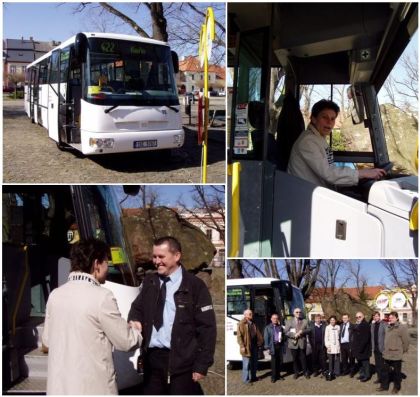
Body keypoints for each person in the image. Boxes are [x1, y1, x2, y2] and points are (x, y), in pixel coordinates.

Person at [42, 239, 142, 395]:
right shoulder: (102, 297)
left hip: (60, 389)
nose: (107, 268)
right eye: (106, 263)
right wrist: (136, 329)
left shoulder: (55, 295)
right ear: (97, 263)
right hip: (93, 388)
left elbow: (46, 342)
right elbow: (126, 341)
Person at [128, 236, 216, 395]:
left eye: (161, 257)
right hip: (152, 360)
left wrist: (202, 364)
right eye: (154, 256)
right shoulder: (150, 281)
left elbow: (207, 328)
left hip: (182, 362)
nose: (156, 261)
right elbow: (137, 308)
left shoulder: (195, 286)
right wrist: (135, 321)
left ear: (177, 256)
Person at [288, 99, 386, 188]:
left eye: (332, 119)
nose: (329, 122)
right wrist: (362, 173)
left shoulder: (318, 138)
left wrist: (361, 173)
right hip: (304, 195)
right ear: (313, 119)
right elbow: (328, 173)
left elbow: (329, 168)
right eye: (324, 117)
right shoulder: (308, 141)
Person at [377, 312, 409, 394]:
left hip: (396, 354)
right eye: (389, 318)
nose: (390, 319)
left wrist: (402, 351)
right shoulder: (387, 327)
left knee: (396, 372)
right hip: (387, 354)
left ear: (397, 318)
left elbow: (406, 341)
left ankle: (397, 387)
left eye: (392, 318)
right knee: (385, 371)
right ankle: (384, 386)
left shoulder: (401, 327)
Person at [237, 309, 264, 384]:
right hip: (246, 347)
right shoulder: (241, 323)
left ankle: (254, 377)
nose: (251, 315)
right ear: (245, 315)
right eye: (250, 314)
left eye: (251, 314)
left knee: (254, 363)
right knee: (246, 364)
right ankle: (246, 380)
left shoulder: (253, 323)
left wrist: (261, 341)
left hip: (254, 346)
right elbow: (239, 337)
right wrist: (242, 346)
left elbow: (258, 333)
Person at [284, 308, 311, 379]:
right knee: (295, 359)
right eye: (297, 312)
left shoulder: (305, 321)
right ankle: (296, 372)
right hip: (293, 343)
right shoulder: (289, 321)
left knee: (303, 358)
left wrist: (302, 331)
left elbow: (309, 329)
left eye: (299, 312)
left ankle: (305, 372)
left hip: (302, 343)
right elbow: (286, 332)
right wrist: (293, 335)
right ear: (293, 313)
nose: (298, 313)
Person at [263, 313, 285, 383]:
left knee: (279, 361)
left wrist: (282, 338)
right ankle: (273, 377)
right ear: (271, 319)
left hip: (279, 345)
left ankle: (278, 375)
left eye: (276, 318)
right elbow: (266, 337)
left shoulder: (280, 327)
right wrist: (267, 347)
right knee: (273, 362)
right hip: (272, 346)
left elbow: (283, 336)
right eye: (274, 318)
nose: (275, 320)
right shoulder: (268, 327)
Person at [351, 311, 371, 382]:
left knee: (365, 363)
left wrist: (361, 348)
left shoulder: (365, 324)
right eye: (357, 317)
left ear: (363, 317)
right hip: (357, 348)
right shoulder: (357, 324)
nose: (358, 318)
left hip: (364, 348)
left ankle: (367, 375)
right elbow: (354, 333)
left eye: (360, 317)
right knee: (360, 363)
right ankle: (362, 374)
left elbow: (366, 338)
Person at [371, 311, 387, 385]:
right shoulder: (373, 325)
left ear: (379, 316)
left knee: (382, 365)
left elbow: (387, 336)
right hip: (375, 348)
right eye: (374, 316)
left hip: (382, 348)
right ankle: (379, 378)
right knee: (377, 364)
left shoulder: (384, 324)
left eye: (377, 316)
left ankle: (383, 379)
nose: (375, 317)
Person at [324, 315, 341, 380]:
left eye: (333, 320)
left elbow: (339, 335)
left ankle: (337, 372)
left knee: (337, 359)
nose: (332, 321)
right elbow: (326, 338)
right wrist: (328, 346)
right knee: (331, 360)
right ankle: (331, 372)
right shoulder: (327, 327)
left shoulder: (338, 327)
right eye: (331, 320)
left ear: (335, 321)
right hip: (330, 346)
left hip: (337, 345)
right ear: (329, 321)